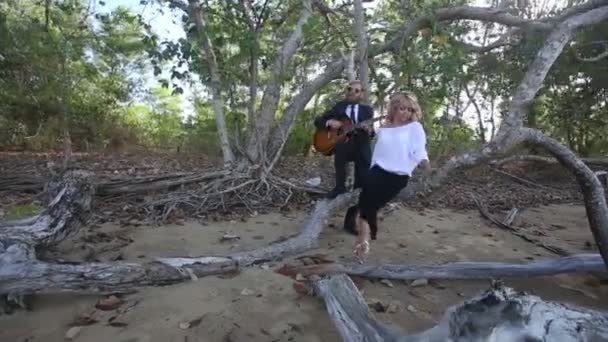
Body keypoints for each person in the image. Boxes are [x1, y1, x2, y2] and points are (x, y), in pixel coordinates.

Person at [352, 91, 432, 263]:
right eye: (403, 109)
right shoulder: (384, 129)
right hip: (377, 171)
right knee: (365, 205)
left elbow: (419, 149)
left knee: (367, 207)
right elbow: (378, 154)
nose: (406, 113)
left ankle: (363, 240)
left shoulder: (415, 128)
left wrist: (424, 162)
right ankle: (363, 241)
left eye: (410, 110)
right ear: (394, 108)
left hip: (397, 175)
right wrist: (370, 172)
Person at [314, 80, 375, 199]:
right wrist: (330, 122)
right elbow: (318, 120)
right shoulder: (339, 107)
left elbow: (372, 133)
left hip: (361, 145)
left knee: (365, 167)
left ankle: (359, 193)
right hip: (343, 144)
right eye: (349, 89)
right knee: (340, 153)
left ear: (361, 94)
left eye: (356, 90)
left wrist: (369, 131)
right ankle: (339, 189)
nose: (352, 92)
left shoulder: (367, 110)